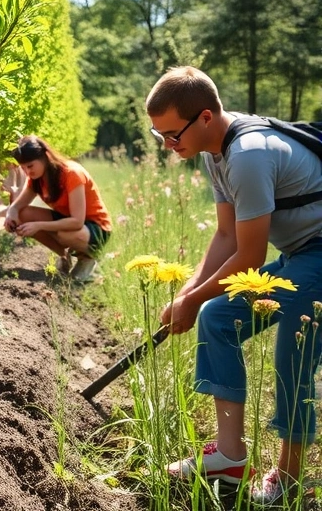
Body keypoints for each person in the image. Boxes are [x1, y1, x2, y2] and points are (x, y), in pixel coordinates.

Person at [146, 66, 322, 505]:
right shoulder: (214, 151)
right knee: (217, 316)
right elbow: (226, 236)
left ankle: (289, 479)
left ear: (205, 116)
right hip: (302, 252)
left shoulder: (248, 153)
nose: (168, 145)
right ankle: (229, 455)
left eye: (172, 134)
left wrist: (191, 298)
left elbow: (250, 257)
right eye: (159, 136)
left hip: (319, 252)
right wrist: (186, 294)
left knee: (292, 350)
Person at [3, 135, 112, 283]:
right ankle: (64, 256)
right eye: (23, 168)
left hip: (96, 228)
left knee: (65, 235)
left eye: (30, 166)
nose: (27, 172)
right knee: (23, 214)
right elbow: (18, 206)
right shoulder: (36, 179)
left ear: (45, 157)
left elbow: (77, 222)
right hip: (71, 222)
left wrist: (38, 226)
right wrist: (11, 213)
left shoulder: (71, 174)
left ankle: (88, 257)